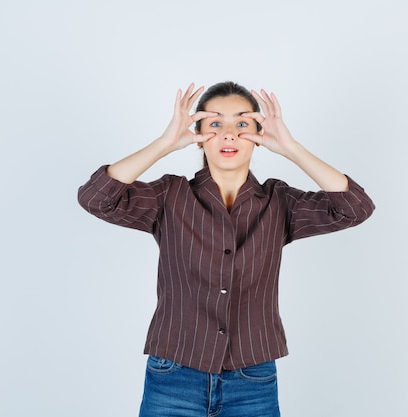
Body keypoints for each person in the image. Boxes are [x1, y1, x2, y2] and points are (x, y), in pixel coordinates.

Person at [77, 81, 375, 417]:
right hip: (173, 374)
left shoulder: (279, 202)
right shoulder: (169, 196)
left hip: (253, 379)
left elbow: (356, 208)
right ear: (199, 133)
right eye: (215, 123)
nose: (229, 134)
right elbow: (96, 198)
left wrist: (291, 148)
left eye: (242, 123)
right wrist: (164, 144)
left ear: (260, 134)